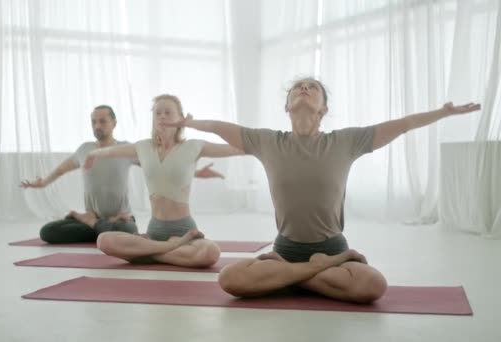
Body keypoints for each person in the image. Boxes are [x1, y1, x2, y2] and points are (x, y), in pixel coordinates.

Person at [165, 77, 480, 302]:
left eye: (312, 87)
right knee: (228, 279)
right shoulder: (266, 141)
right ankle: (317, 273)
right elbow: (220, 127)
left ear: (323, 109)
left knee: (373, 285)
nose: (304, 88)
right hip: (286, 250)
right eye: (297, 88)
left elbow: (405, 122)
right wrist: (188, 124)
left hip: (332, 249)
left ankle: (289, 277)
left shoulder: (346, 141)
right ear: (287, 107)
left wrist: (445, 112)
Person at [20, 105, 224, 244]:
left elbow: (162, 166)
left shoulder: (127, 149)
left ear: (114, 123)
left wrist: (195, 172)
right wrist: (42, 183)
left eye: (102, 121)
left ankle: (97, 227)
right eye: (93, 122)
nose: (97, 126)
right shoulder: (85, 150)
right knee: (47, 232)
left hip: (121, 219)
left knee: (129, 232)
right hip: (96, 217)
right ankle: (97, 227)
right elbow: (60, 169)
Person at [83, 94, 244, 267]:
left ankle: (150, 253)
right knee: (104, 241)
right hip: (155, 231)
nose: (162, 116)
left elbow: (238, 148)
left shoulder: (194, 146)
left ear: (181, 119)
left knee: (210, 253)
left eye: (168, 112)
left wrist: (194, 124)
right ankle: (170, 248)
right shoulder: (143, 147)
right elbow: (110, 151)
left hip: (184, 230)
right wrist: (92, 154)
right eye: (157, 113)